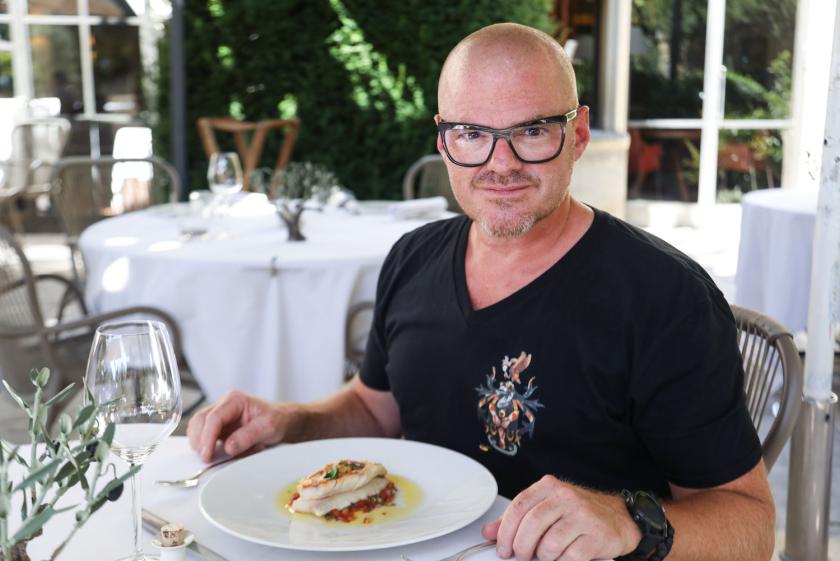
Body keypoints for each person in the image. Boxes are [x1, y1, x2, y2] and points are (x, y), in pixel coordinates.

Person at [188, 23, 775, 561]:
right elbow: (373, 408)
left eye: (532, 131)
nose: (502, 163)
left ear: (578, 134)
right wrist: (288, 421)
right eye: (472, 133)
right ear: (444, 141)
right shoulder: (412, 259)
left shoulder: (664, 297)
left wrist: (629, 523)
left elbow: (751, 524)